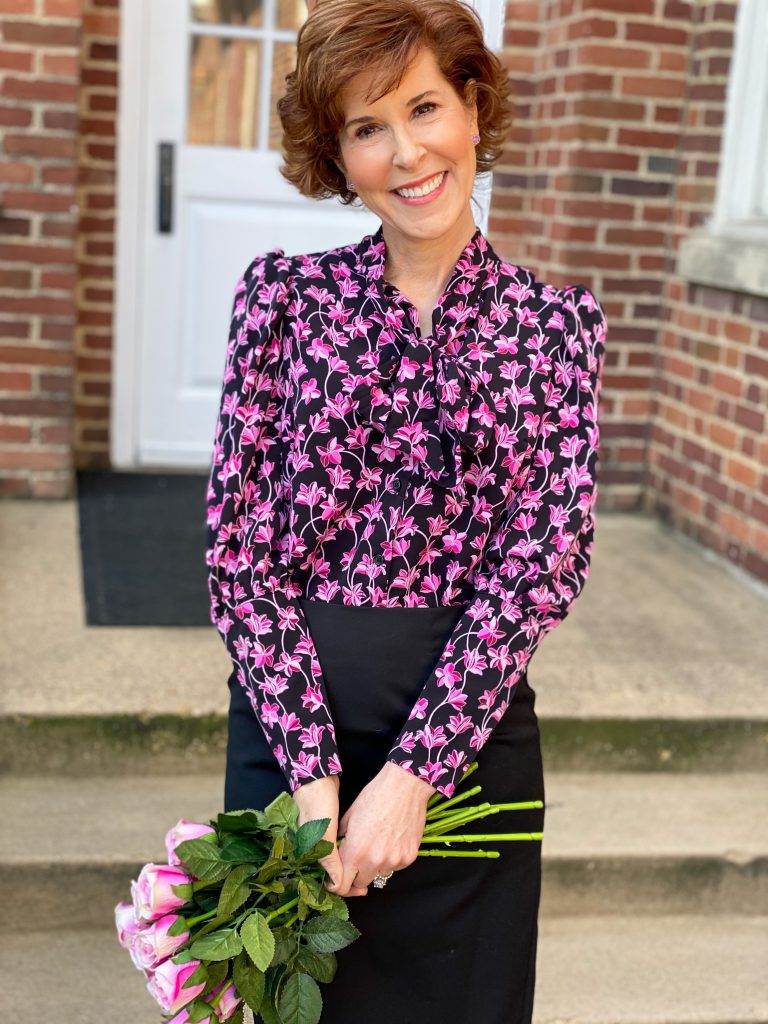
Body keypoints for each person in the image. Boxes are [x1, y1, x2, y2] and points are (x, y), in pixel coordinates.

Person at [205, 1, 608, 1020]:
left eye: (424, 106)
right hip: (292, 736)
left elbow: (542, 561)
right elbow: (239, 558)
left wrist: (415, 773)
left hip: (467, 752)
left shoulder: (557, 328)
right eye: (366, 126)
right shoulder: (283, 301)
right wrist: (313, 787)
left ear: (473, 108)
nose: (407, 151)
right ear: (337, 157)